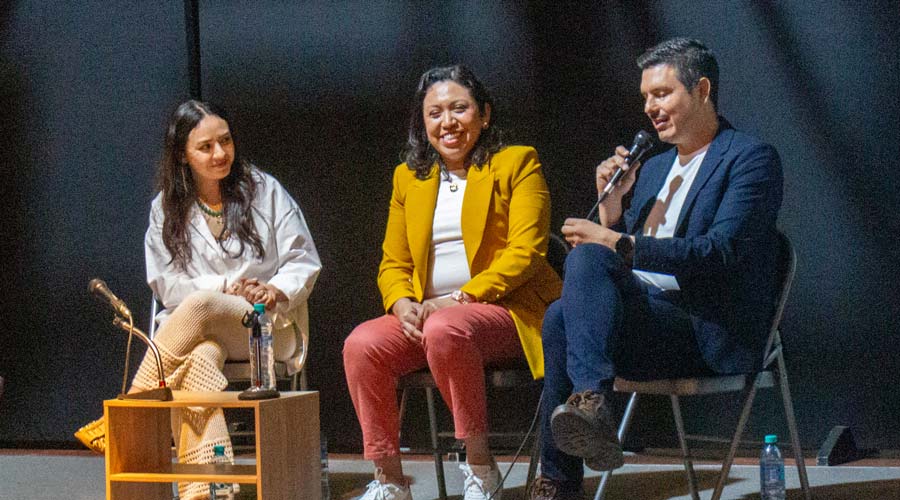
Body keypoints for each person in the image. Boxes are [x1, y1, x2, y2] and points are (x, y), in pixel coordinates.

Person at [528, 38, 784, 500]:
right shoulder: (652, 169)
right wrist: (612, 210)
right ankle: (579, 438)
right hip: (642, 325)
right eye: (646, 96)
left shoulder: (749, 159)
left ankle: (575, 445)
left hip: (699, 327)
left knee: (576, 284)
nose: (650, 107)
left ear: (702, 90)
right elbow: (623, 258)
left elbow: (720, 254)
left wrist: (614, 241)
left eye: (662, 93)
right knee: (561, 312)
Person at [75, 100, 321, 500]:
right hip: (194, 338)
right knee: (201, 360)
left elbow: (303, 259)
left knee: (204, 304)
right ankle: (208, 489)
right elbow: (165, 285)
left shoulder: (264, 190)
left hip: (262, 328)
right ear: (182, 155)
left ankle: (131, 408)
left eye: (225, 141)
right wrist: (223, 286)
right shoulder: (165, 208)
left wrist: (274, 290)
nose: (220, 153)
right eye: (206, 147)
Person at [343, 64, 562, 500]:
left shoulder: (517, 162)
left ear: (484, 114)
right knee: (362, 345)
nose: (448, 122)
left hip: (507, 310)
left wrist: (460, 298)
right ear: (423, 124)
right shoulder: (409, 178)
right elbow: (393, 262)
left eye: (459, 109)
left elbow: (527, 252)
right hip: (429, 316)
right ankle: (390, 481)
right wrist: (402, 303)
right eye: (435, 113)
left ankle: (480, 469)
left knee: (447, 328)